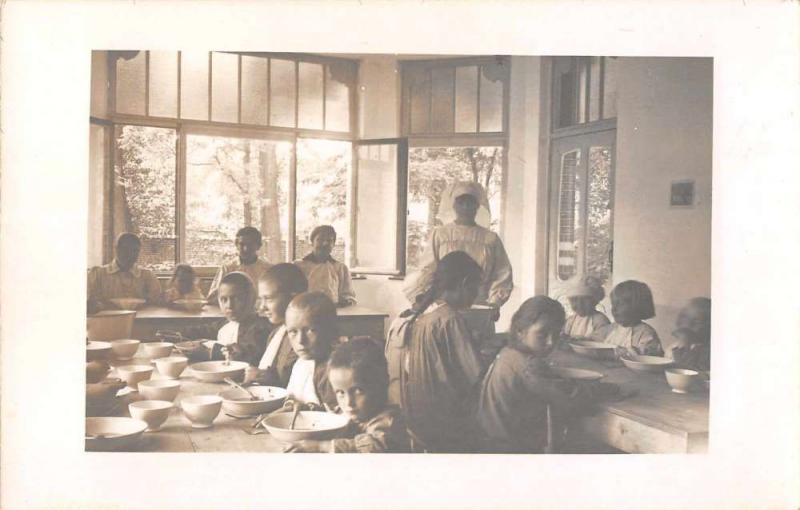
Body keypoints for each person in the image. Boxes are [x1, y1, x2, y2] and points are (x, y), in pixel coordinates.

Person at [386, 251, 484, 453]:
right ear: (464, 283)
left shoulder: (409, 316)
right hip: (440, 426)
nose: (477, 295)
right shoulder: (448, 319)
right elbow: (476, 376)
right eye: (476, 287)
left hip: (408, 423)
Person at [477, 296, 590, 453]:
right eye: (542, 334)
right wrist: (597, 389)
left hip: (490, 441)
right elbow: (569, 402)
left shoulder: (508, 353)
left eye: (556, 334)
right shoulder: (529, 364)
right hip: (510, 450)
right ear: (520, 332)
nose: (551, 342)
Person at [403, 181, 513, 321]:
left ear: (478, 206)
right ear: (454, 205)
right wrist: (422, 298)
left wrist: (494, 303)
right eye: (461, 202)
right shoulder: (440, 235)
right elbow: (428, 269)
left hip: (479, 306)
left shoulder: (490, 239)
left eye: (470, 202)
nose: (466, 207)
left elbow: (502, 273)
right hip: (444, 305)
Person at [284, 338, 411, 453]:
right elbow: (332, 414)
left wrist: (321, 447)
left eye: (358, 391)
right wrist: (308, 409)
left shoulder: (389, 421)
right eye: (340, 393)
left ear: (382, 383)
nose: (348, 403)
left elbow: (374, 446)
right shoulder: (352, 412)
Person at [182, 272, 271, 367]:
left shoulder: (260, 328)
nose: (229, 306)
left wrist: (210, 352)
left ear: (252, 298)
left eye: (236, 299)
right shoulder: (227, 323)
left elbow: (248, 354)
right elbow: (204, 330)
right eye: (224, 299)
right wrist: (176, 335)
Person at [244, 263, 308, 386]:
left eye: (268, 299)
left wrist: (269, 378)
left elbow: (299, 380)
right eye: (261, 299)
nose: (262, 307)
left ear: (294, 297)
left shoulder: (303, 341)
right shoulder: (275, 333)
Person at [280, 292, 340, 410]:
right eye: (293, 332)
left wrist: (308, 409)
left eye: (311, 330)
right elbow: (292, 397)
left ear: (330, 330)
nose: (301, 340)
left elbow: (339, 415)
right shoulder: (300, 362)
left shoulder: (331, 370)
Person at [86, 232, 162, 313]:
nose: (131, 254)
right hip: (106, 321)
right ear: (116, 249)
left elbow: (156, 301)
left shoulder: (147, 276)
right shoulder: (98, 274)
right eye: (126, 250)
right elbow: (90, 302)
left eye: (135, 250)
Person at [591, 280, 664, 356]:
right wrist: (582, 339)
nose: (614, 309)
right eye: (613, 304)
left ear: (636, 307)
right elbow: (593, 339)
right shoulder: (612, 328)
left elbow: (648, 356)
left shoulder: (646, 333)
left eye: (620, 304)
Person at [294, 225, 356, 307]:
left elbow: (348, 295)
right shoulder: (298, 266)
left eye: (329, 240)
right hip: (305, 312)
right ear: (312, 242)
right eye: (320, 240)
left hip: (333, 313)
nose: (325, 243)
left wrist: (345, 302)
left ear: (333, 244)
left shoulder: (340, 268)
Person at [207, 227, 272, 303]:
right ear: (236, 245)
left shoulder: (268, 270)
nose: (246, 249)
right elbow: (211, 298)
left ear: (258, 246)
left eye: (250, 244)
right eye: (242, 244)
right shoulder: (228, 269)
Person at [561, 276, 610, 340]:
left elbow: (601, 341)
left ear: (594, 302)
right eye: (575, 300)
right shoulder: (571, 320)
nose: (579, 304)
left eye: (584, 300)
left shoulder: (600, 320)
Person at [669, 297, 711, 371]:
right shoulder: (675, 347)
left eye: (697, 322)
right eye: (684, 317)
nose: (687, 325)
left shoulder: (708, 352)